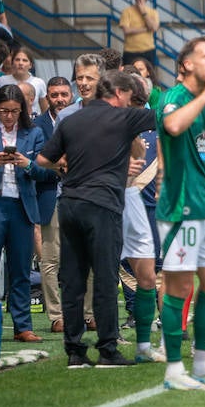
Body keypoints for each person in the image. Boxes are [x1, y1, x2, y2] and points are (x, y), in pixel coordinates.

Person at [35, 68, 153, 367]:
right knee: (103, 278)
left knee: (72, 280)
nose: (130, 101)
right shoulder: (124, 117)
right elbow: (162, 116)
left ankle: (75, 351)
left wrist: (67, 166)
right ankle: (107, 349)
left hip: (70, 203)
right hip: (102, 205)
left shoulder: (71, 120)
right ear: (117, 94)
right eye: (128, 96)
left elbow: (43, 159)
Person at [145, 39, 205, 389]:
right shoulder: (174, 98)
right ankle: (173, 371)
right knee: (181, 285)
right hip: (181, 205)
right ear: (185, 64)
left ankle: (201, 365)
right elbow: (171, 128)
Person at [0, 85, 47, 343]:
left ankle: (22, 326)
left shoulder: (34, 133)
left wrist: (28, 166)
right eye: (4, 111)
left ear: (22, 110)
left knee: (21, 270)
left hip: (22, 207)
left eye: (14, 111)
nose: (9, 116)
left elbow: (46, 171)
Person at [32, 75, 72, 332]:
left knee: (84, 258)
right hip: (49, 195)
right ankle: (56, 316)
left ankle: (86, 314)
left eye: (63, 94)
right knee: (50, 260)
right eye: (54, 95)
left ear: (71, 95)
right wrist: (58, 167)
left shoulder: (81, 118)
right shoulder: (36, 125)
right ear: (46, 97)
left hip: (79, 194)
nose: (59, 99)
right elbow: (34, 163)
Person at [119, 0, 160, 66]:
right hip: (130, 52)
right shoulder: (126, 11)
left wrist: (143, 12)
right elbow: (126, 30)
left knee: (148, 78)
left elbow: (154, 28)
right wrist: (146, 29)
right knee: (129, 78)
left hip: (148, 51)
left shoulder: (153, 12)